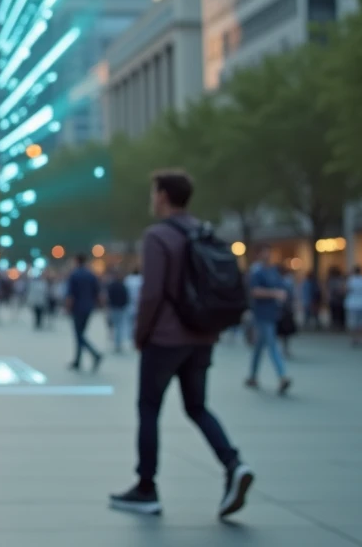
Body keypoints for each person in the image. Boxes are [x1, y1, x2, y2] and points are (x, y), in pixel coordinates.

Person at [110, 170, 252, 520]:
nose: (152, 198)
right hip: (201, 335)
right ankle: (233, 463)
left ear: (162, 196)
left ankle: (146, 488)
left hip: (165, 337)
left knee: (148, 408)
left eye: (153, 191)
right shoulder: (203, 231)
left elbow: (152, 293)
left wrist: (140, 333)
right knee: (197, 406)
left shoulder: (158, 236)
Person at [244, 250, 292, 394]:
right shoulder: (257, 273)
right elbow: (254, 291)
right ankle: (282, 376)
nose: (267, 256)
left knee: (259, 347)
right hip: (262, 315)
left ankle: (252, 376)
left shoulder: (273, 273)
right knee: (271, 345)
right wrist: (274, 294)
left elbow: (282, 288)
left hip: (271, 314)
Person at [65, 253, 103, 373]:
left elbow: (70, 295)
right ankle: (77, 360)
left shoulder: (74, 275)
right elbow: (97, 292)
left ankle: (94, 354)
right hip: (88, 308)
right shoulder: (91, 275)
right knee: (80, 334)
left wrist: (67, 308)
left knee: (79, 335)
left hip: (77, 308)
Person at [345, 265, 362, 348]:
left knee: (353, 323)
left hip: (353, 304)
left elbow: (346, 290)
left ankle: (354, 339)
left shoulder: (351, 280)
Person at [106, 272, 131, 354]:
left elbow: (108, 297)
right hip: (120, 308)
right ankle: (118, 343)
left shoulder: (112, 286)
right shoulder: (122, 286)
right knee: (119, 326)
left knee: (116, 326)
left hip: (114, 307)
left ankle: (117, 343)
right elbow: (126, 297)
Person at [327, 267, 347, 331]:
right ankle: (336, 326)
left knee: (338, 314)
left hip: (338, 300)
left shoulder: (338, 280)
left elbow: (342, 290)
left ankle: (339, 326)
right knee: (335, 314)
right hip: (335, 300)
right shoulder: (332, 280)